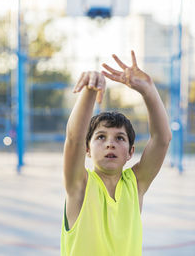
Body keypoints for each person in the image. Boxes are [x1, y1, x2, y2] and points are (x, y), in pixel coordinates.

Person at [61, 50, 172, 256]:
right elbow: (74, 139)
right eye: (101, 137)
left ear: (130, 152)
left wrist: (149, 91)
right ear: (87, 149)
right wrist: (90, 91)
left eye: (119, 138)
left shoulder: (135, 184)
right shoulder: (80, 185)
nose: (110, 143)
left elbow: (162, 139)